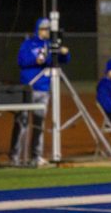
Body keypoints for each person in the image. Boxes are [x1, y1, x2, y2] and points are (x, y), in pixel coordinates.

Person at [11, 17, 69, 167]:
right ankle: (15, 157)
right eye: (44, 29)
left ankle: (35, 156)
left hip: (43, 90)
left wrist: (64, 52)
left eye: (48, 29)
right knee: (22, 123)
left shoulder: (50, 45)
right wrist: (35, 60)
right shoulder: (28, 44)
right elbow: (21, 61)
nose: (47, 31)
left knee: (39, 125)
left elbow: (64, 60)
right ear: (38, 30)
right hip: (28, 88)